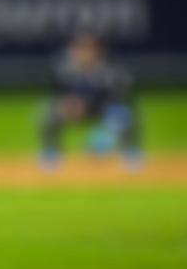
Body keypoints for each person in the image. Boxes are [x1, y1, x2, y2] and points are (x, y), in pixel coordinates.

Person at [38, 32, 143, 169]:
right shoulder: (64, 69)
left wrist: (103, 131)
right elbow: (57, 94)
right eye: (80, 48)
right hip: (75, 110)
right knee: (48, 112)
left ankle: (130, 154)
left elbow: (122, 97)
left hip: (104, 110)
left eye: (88, 48)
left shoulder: (111, 69)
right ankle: (51, 154)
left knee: (124, 115)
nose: (84, 52)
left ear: (98, 51)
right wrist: (69, 103)